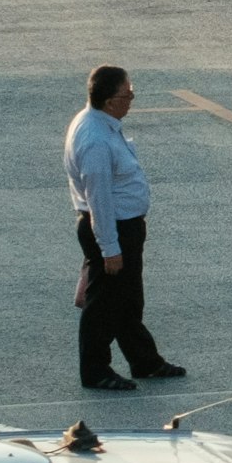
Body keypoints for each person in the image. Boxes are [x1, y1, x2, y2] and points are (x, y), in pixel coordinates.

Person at [65, 66, 183, 392]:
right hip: (113, 229)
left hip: (121, 228)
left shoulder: (101, 124)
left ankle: (145, 360)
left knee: (128, 300)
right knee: (102, 305)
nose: (131, 99)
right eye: (126, 94)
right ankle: (95, 370)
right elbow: (99, 198)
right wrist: (110, 248)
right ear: (109, 100)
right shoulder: (95, 140)